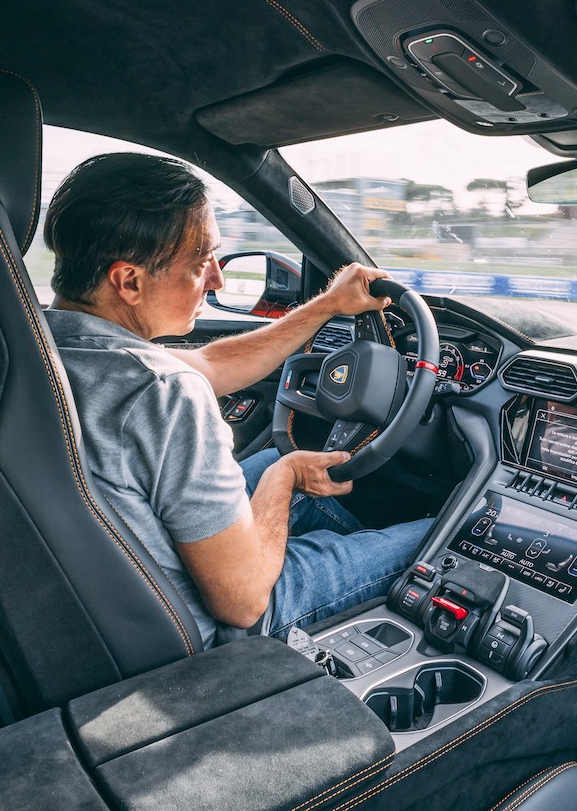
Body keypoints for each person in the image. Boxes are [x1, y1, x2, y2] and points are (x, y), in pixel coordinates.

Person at [41, 152, 433, 646]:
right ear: (129, 281)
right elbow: (244, 601)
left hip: (106, 600)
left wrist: (329, 305)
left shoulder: (42, 348)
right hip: (212, 634)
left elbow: (210, 366)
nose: (218, 280)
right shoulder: (159, 392)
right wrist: (283, 477)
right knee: (447, 535)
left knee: (280, 460)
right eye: (202, 262)